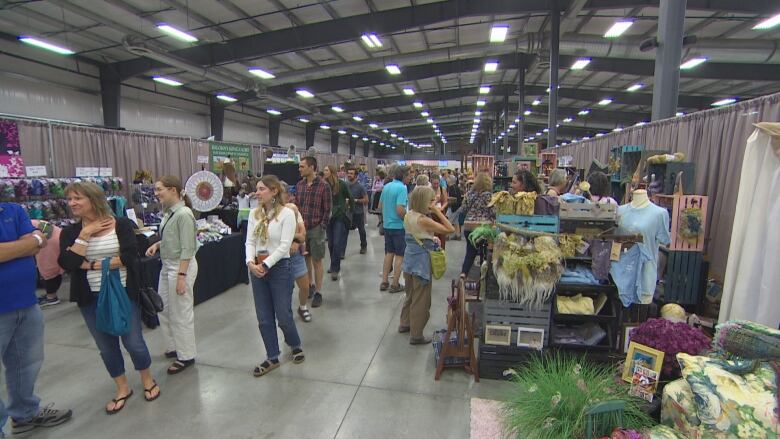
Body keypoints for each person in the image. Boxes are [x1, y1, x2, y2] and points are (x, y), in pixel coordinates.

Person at [58, 181, 160, 414]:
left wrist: (91, 264)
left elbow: (129, 257)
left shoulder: (121, 224)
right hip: (90, 298)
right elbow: (68, 264)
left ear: (93, 200)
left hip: (124, 292)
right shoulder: (71, 232)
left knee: (133, 342)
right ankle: (122, 388)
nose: (72, 203)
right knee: (106, 347)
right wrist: (84, 235)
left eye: (77, 198)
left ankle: (147, 379)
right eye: (70, 199)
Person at [0, 203, 72, 435]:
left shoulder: (12, 210)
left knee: (26, 364)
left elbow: (36, 245)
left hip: (26, 302)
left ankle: (25, 414)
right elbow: (34, 242)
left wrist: (32, 243)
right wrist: (30, 242)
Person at [245, 175, 304, 377]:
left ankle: (294, 343)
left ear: (274, 191)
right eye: (257, 189)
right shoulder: (254, 214)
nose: (257, 192)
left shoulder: (287, 214)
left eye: (261, 189)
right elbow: (249, 242)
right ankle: (272, 356)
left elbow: (285, 245)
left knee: (284, 316)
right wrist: (251, 263)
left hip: (279, 268)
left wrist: (265, 264)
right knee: (263, 318)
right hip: (257, 268)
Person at [145, 176, 198, 375]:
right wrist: (158, 245)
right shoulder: (169, 212)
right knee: (164, 308)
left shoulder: (184, 214)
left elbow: (189, 247)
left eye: (159, 189)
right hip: (168, 265)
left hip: (180, 267)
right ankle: (174, 346)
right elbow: (173, 238)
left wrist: (182, 276)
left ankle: (186, 355)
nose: (156, 193)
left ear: (173, 190)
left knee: (180, 312)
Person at [399, 187, 455, 345]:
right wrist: (438, 212)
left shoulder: (409, 215)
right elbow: (449, 229)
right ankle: (416, 335)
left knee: (410, 295)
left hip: (409, 261)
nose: (434, 202)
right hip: (421, 264)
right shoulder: (423, 220)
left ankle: (405, 323)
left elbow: (416, 235)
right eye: (431, 200)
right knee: (421, 300)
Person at [295, 157, 331, 308]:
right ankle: (309, 285)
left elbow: (328, 209)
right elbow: (296, 207)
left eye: (302, 166)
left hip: (316, 228)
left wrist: (322, 226)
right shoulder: (300, 185)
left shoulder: (324, 186)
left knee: (317, 260)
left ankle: (318, 292)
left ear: (312, 167)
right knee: (306, 259)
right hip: (303, 229)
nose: (300, 169)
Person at [280, 182, 312, 323]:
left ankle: (303, 307)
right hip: (279, 256)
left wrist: (294, 242)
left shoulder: (293, 209)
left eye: (282, 193)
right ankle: (285, 313)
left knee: (305, 286)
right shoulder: (269, 212)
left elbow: (302, 233)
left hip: (295, 255)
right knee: (284, 290)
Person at [379, 165, 410, 293]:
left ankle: (384, 281)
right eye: (408, 175)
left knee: (388, 253)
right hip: (398, 226)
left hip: (387, 226)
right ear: (402, 175)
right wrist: (407, 220)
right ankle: (395, 284)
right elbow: (400, 209)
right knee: (400, 255)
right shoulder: (402, 188)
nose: (410, 177)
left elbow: (380, 206)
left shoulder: (386, 186)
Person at [459, 173, 496, 279]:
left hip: (468, 226)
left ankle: (464, 273)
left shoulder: (469, 194)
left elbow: (463, 210)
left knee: (470, 251)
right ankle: (483, 276)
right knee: (485, 252)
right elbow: (493, 212)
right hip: (484, 228)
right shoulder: (489, 196)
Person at [323, 165, 354, 281]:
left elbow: (350, 197)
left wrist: (351, 211)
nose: (324, 172)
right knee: (330, 244)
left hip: (339, 217)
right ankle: (333, 264)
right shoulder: (324, 185)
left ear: (332, 172)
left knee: (336, 243)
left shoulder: (341, 184)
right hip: (328, 218)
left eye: (326, 170)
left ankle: (335, 269)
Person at [31, 220, 65, 307]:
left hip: (48, 240)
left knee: (49, 269)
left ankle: (51, 297)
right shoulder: (25, 220)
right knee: (53, 267)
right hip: (57, 235)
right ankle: (51, 296)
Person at [346, 167, 369, 255]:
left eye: (351, 173)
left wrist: (355, 200)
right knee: (344, 232)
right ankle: (341, 251)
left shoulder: (360, 187)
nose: (349, 175)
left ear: (355, 175)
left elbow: (366, 200)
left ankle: (364, 246)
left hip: (358, 212)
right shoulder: (345, 185)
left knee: (361, 230)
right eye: (348, 173)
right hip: (348, 213)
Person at [430, 176, 449, 249]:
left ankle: (442, 249)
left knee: (442, 233)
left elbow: (446, 201)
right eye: (434, 184)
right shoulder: (429, 190)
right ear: (431, 182)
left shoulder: (442, 189)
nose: (436, 185)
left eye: (437, 183)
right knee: (434, 232)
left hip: (441, 213)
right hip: (432, 214)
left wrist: (442, 208)